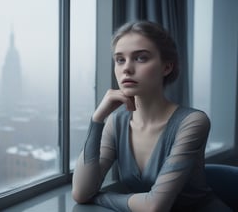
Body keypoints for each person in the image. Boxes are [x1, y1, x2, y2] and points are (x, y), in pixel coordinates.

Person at [71, 21, 232, 212]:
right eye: (120, 59)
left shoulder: (193, 122)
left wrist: (100, 198)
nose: (126, 69)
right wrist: (97, 119)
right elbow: (81, 193)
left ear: (167, 67)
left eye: (140, 58)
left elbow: (154, 207)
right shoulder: (117, 123)